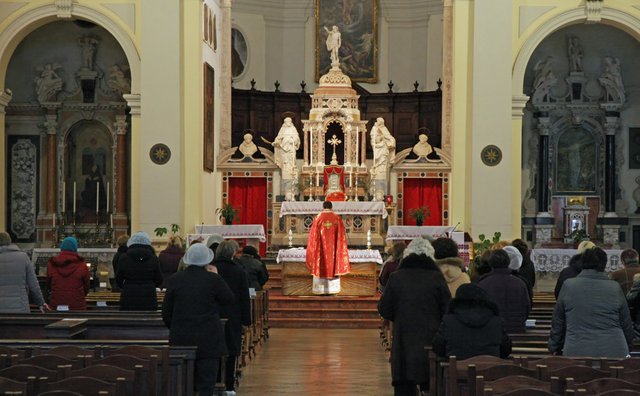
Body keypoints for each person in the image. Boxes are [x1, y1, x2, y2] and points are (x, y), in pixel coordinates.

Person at [378, 237, 451, 395]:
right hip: (431, 340)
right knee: (429, 383)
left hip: (403, 339)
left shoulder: (397, 277)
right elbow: (447, 309)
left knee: (404, 385)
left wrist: (399, 316)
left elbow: (384, 308)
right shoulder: (437, 278)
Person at [163, 243, 234, 396]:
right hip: (208, 340)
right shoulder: (213, 280)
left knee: (182, 383)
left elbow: (166, 313)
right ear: (207, 261)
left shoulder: (175, 279)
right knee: (206, 385)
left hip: (181, 339)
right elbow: (229, 300)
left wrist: (177, 327)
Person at [549, 247, 634, 358]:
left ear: (583, 263)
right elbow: (625, 322)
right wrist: (628, 346)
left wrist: (554, 347)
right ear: (604, 265)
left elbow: (558, 321)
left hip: (577, 349)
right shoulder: (614, 287)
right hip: (614, 350)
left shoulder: (569, 285)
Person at [432, 283, 512, 360]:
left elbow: (438, 347)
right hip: (491, 371)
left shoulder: (448, 321)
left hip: (457, 371)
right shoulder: (496, 321)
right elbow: (506, 349)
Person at [212, 239, 251, 395]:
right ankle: (228, 385)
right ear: (233, 253)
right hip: (233, 315)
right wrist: (246, 320)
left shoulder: (211, 268)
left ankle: (215, 381)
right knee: (231, 349)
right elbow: (244, 296)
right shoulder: (238, 270)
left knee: (214, 347)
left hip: (213, 313)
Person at [478, 249, 530, 333]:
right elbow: (527, 307)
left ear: (490, 263)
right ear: (508, 262)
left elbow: (479, 310)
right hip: (516, 329)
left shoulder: (483, 284)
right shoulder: (520, 283)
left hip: (492, 331)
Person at [305, 201, 350, 295]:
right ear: (331, 207)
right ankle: (333, 290)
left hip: (320, 250)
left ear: (323, 206)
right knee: (333, 264)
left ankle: (320, 289)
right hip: (333, 250)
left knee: (320, 263)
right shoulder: (337, 218)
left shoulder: (318, 218)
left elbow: (313, 237)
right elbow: (341, 237)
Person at [0, 232, 49, 313]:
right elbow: (34, 285)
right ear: (9, 241)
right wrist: (41, 303)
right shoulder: (23, 257)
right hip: (20, 308)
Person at [116, 232, 163, 311]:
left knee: (128, 320)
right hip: (148, 295)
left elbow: (118, 279)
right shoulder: (153, 258)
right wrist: (150, 284)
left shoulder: (124, 258)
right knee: (148, 320)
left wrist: (126, 285)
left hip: (129, 294)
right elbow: (159, 279)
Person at [47, 236, 90, 310]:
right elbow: (87, 286)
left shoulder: (52, 264)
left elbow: (48, 284)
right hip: (77, 306)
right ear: (75, 247)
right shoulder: (82, 264)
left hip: (57, 305)